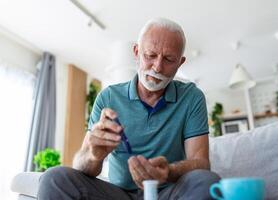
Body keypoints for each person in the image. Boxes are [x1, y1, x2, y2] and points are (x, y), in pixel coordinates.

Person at [38, 18, 220, 200]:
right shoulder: (108, 97)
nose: (157, 67)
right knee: (54, 179)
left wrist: (169, 171)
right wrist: (94, 156)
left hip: (169, 193)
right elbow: (82, 166)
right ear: (136, 51)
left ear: (180, 63)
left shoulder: (191, 97)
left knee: (207, 181)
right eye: (150, 55)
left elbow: (201, 162)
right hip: (118, 194)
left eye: (169, 59)